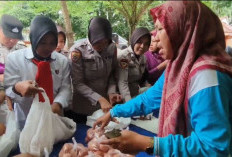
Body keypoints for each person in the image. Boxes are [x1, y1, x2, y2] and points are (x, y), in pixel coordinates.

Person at [94, 1, 232, 156]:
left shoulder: (207, 76)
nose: (155, 37)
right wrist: (114, 112)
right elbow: (149, 99)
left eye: (160, 29)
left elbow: (213, 148)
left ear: (183, 29)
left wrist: (147, 143)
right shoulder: (179, 67)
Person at [4, 15, 71, 130]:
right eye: (43, 43)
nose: (48, 48)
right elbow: (8, 90)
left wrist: (58, 104)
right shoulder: (14, 59)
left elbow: (66, 88)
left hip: (54, 119)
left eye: (52, 43)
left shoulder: (62, 61)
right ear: (33, 39)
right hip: (26, 120)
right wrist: (17, 89)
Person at [69, 17, 121, 123]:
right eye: (98, 42)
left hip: (104, 107)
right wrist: (99, 99)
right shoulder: (78, 51)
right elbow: (78, 83)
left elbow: (112, 74)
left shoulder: (111, 48)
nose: (102, 45)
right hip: (83, 108)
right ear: (91, 36)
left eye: (105, 42)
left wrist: (111, 92)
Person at [117, 27, 150, 102]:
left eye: (146, 44)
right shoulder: (124, 57)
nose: (142, 46)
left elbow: (142, 79)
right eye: (139, 42)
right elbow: (123, 83)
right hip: (123, 98)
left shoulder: (143, 58)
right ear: (134, 40)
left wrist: (147, 85)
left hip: (135, 93)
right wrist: (129, 104)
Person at [0, 14, 25, 106]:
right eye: (8, 36)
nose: (12, 40)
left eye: (15, 37)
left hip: (18, 98)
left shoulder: (23, 50)